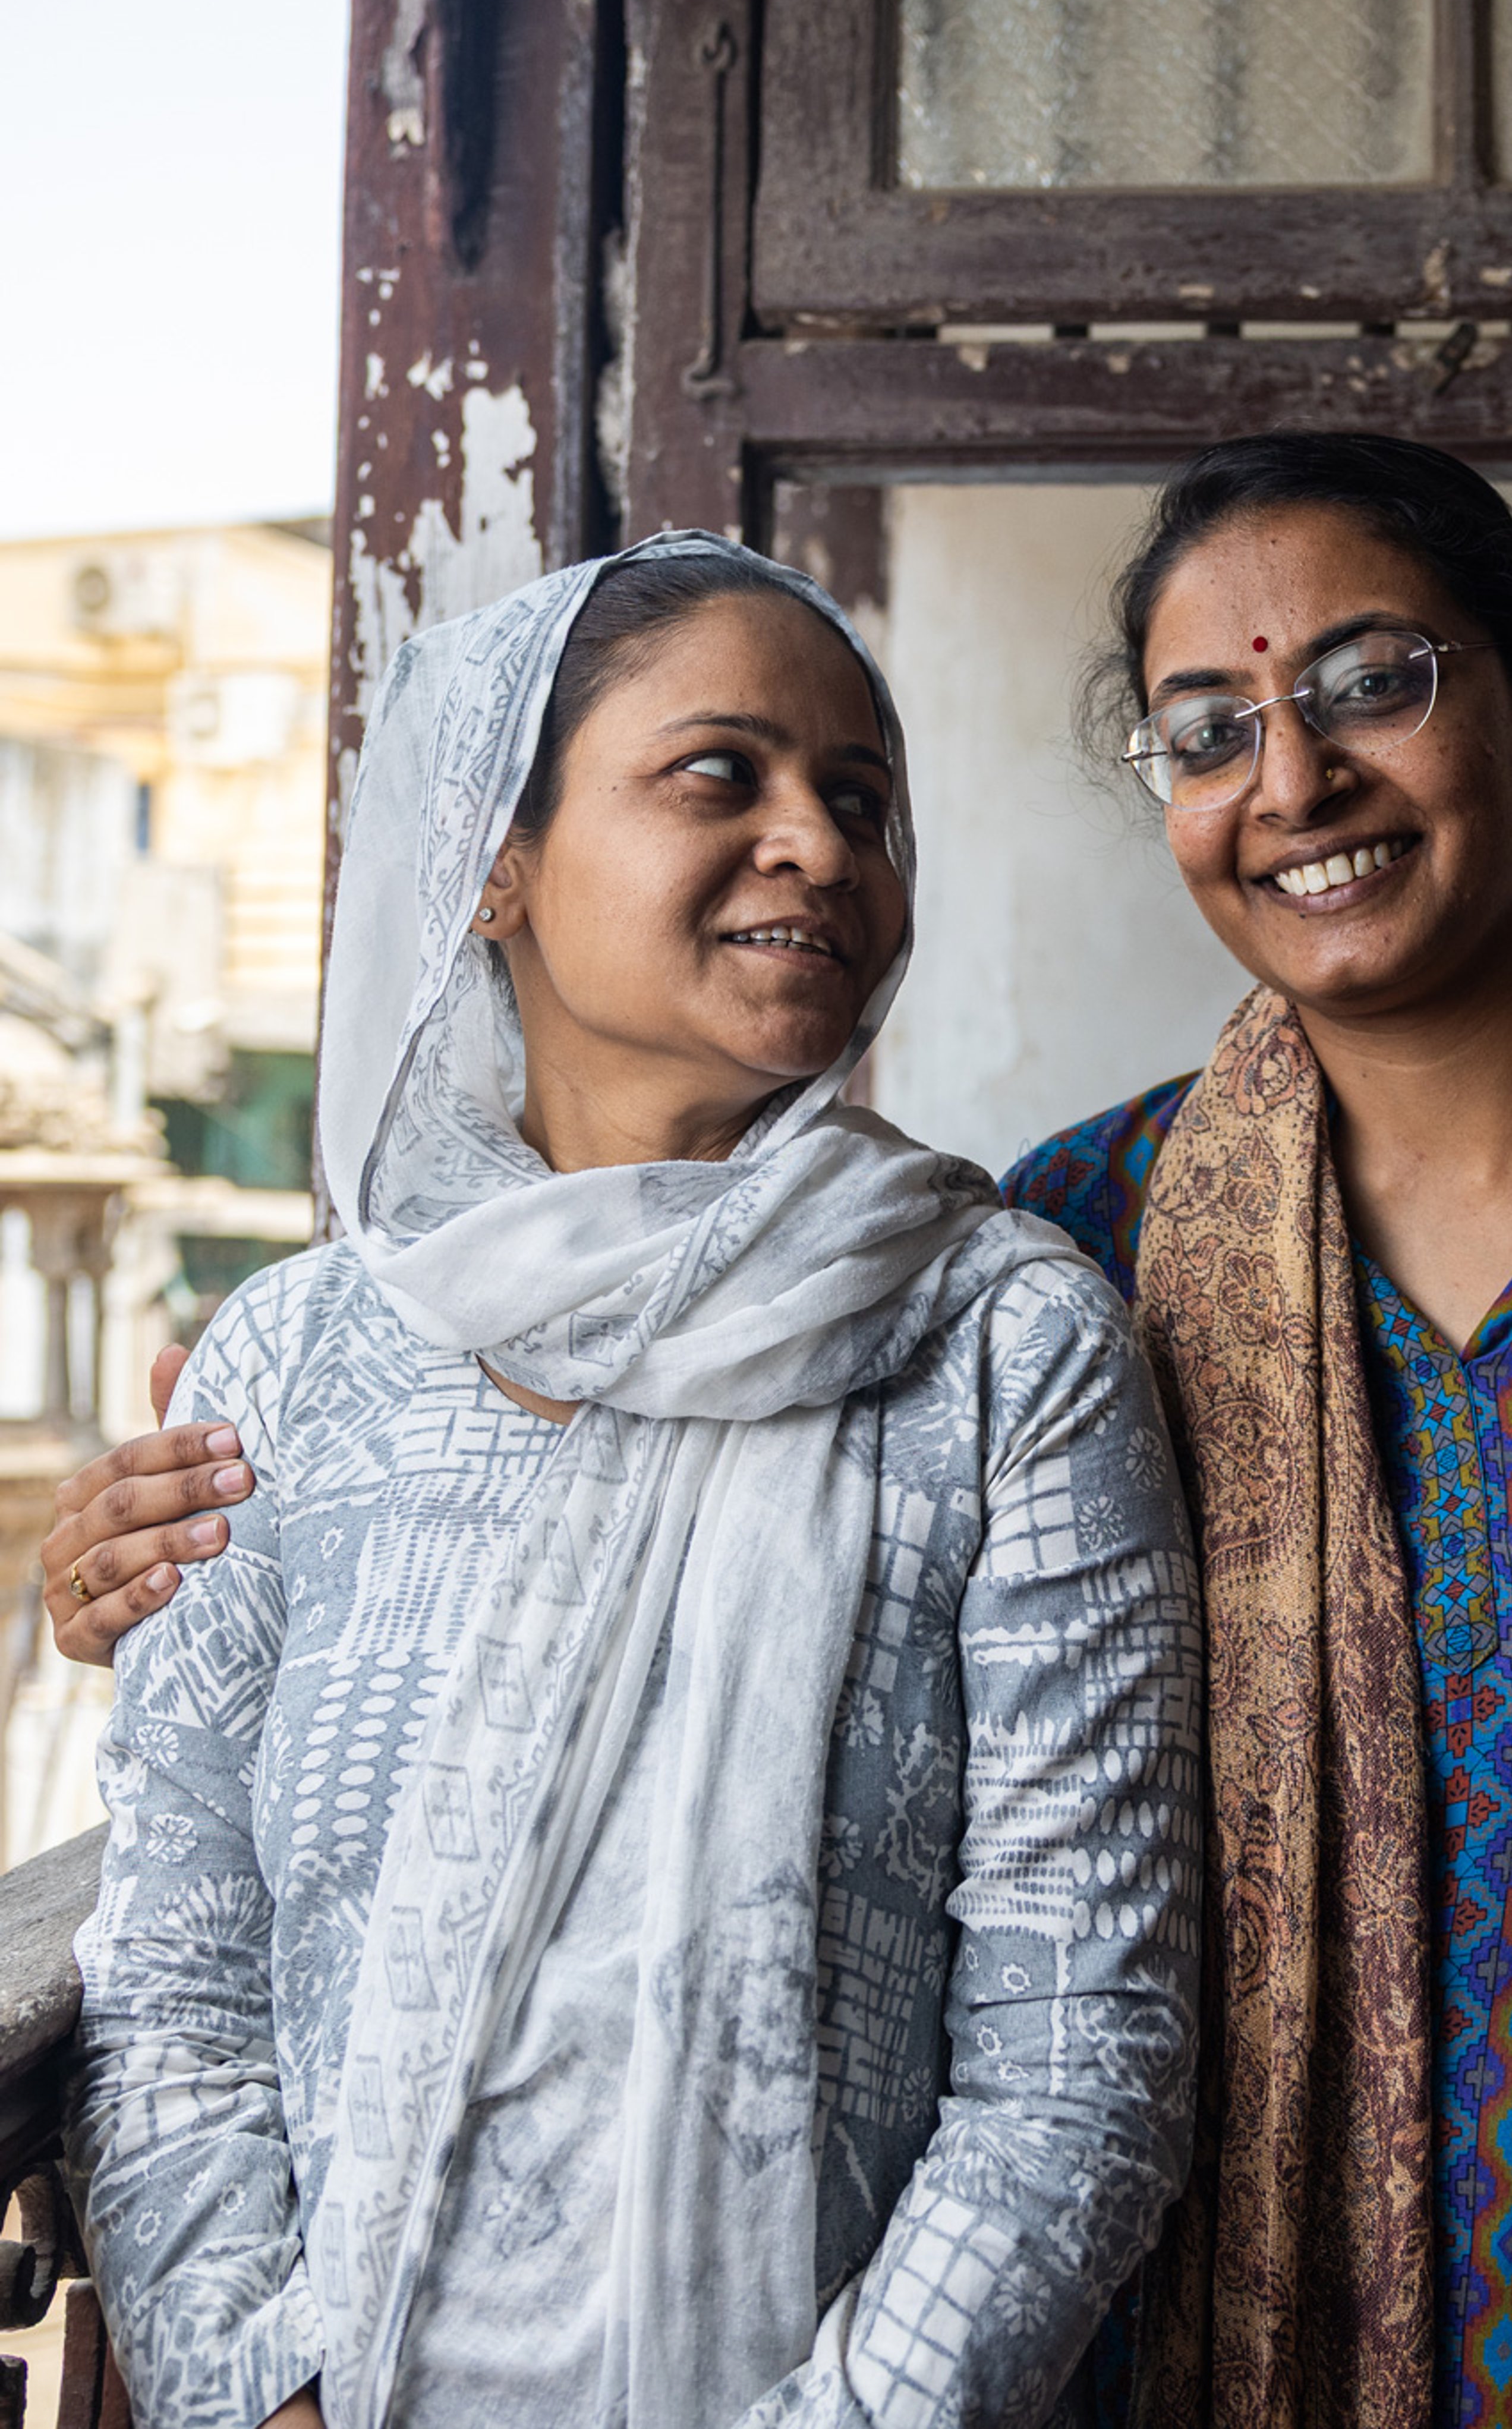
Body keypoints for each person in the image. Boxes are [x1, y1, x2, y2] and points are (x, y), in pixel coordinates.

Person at [51, 434, 1512, 2429]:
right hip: (1245, 2346)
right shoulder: (1100, 1230)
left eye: (1375, 681)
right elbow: (607, 1477)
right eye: (1210, 728)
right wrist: (191, 1536)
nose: (1296, 776)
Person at [51, 534, 1201, 2429]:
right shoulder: (298, 1361)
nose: (816, 843)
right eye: (719, 774)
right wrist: (265, 2402)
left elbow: (1078, 2059)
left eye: (862, 802)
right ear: (494, 863)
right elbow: (180, 1979)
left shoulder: (1003, 1343)